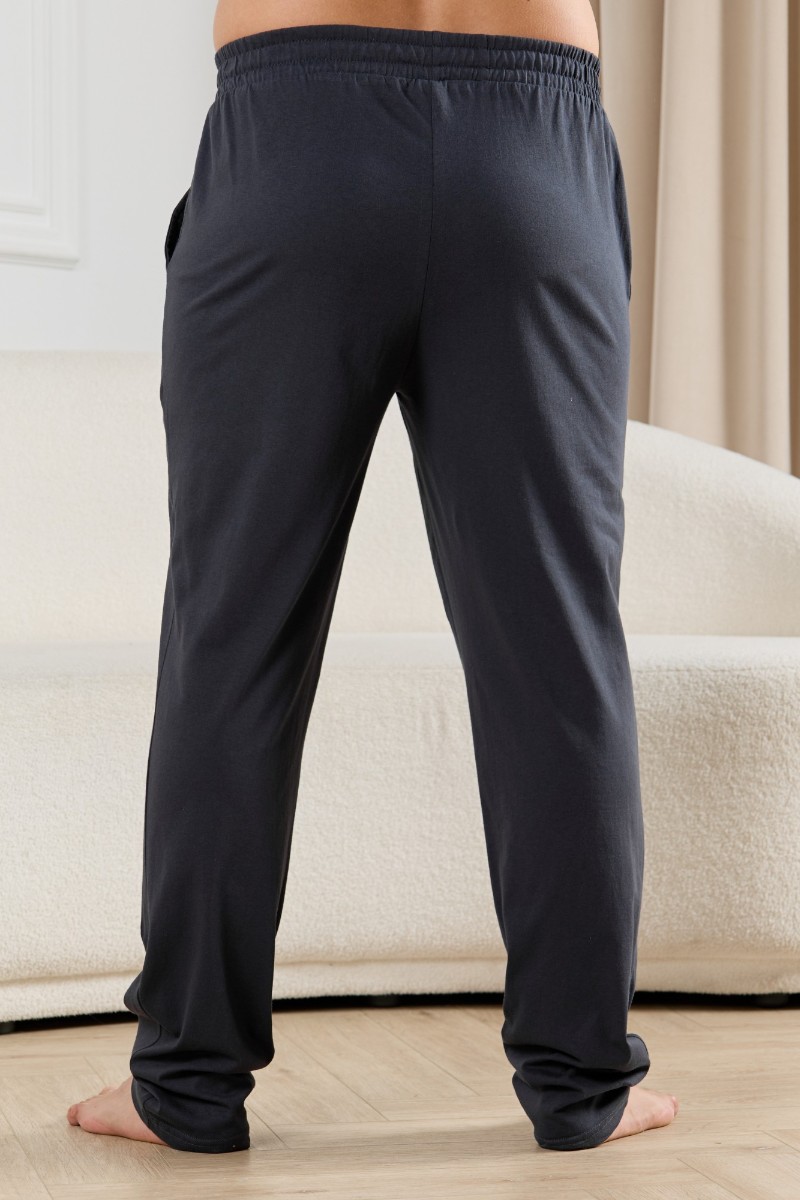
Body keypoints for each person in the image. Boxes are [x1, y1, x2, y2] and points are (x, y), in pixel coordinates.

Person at [68, 0, 679, 1153]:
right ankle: (582, 1081)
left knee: (229, 638)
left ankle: (186, 1083)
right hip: (531, 135)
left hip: (294, 128)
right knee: (557, 653)